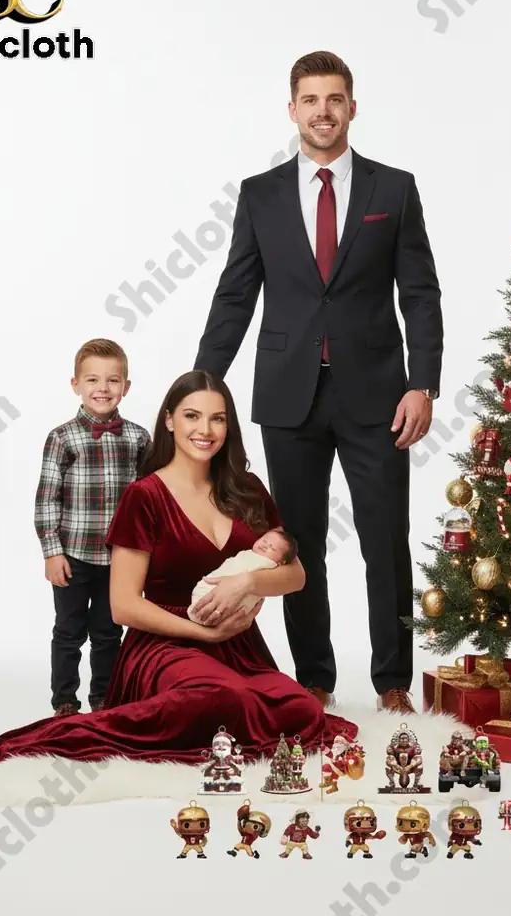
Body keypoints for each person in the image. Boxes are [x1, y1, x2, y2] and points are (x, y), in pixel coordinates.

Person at [194, 51, 444, 714]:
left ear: (352, 108)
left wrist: (423, 384)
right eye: (311, 100)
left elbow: (420, 293)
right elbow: (236, 293)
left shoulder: (394, 189)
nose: (323, 112)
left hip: (379, 397)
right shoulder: (260, 193)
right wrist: (203, 381)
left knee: (384, 540)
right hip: (288, 395)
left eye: (334, 99)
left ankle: (393, 682)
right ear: (293, 109)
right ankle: (314, 680)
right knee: (295, 543)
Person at [0, 370, 357, 772]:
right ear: (169, 421)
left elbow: (296, 576)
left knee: (302, 709)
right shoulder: (143, 495)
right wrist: (203, 633)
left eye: (217, 418)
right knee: (221, 698)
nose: (205, 430)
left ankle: (231, 711)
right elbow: (123, 606)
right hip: (163, 646)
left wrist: (248, 581)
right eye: (192, 416)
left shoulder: (247, 488)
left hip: (239, 645)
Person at [36, 338, 151, 717]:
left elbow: (148, 498)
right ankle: (65, 701)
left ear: (126, 387)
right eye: (92, 380)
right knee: (68, 632)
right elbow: (47, 498)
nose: (103, 388)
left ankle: (105, 697)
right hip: (73, 555)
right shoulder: (62, 437)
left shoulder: (138, 438)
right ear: (76, 385)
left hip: (119, 559)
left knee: (108, 632)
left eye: (112, 380)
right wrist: (52, 552)